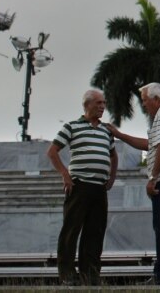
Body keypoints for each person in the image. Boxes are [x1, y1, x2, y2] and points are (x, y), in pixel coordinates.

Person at [107, 83, 160, 286]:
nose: (144, 105)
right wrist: (120, 135)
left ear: (156, 99)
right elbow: (149, 144)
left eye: (144, 100)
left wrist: (153, 177)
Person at [46, 88, 118, 286]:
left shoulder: (106, 130)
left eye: (104, 103)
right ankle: (67, 274)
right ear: (87, 105)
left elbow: (113, 155)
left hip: (99, 187)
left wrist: (112, 176)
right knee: (71, 229)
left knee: (95, 232)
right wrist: (65, 174)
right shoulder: (72, 126)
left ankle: (90, 274)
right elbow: (52, 151)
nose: (102, 107)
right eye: (98, 103)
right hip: (80, 185)